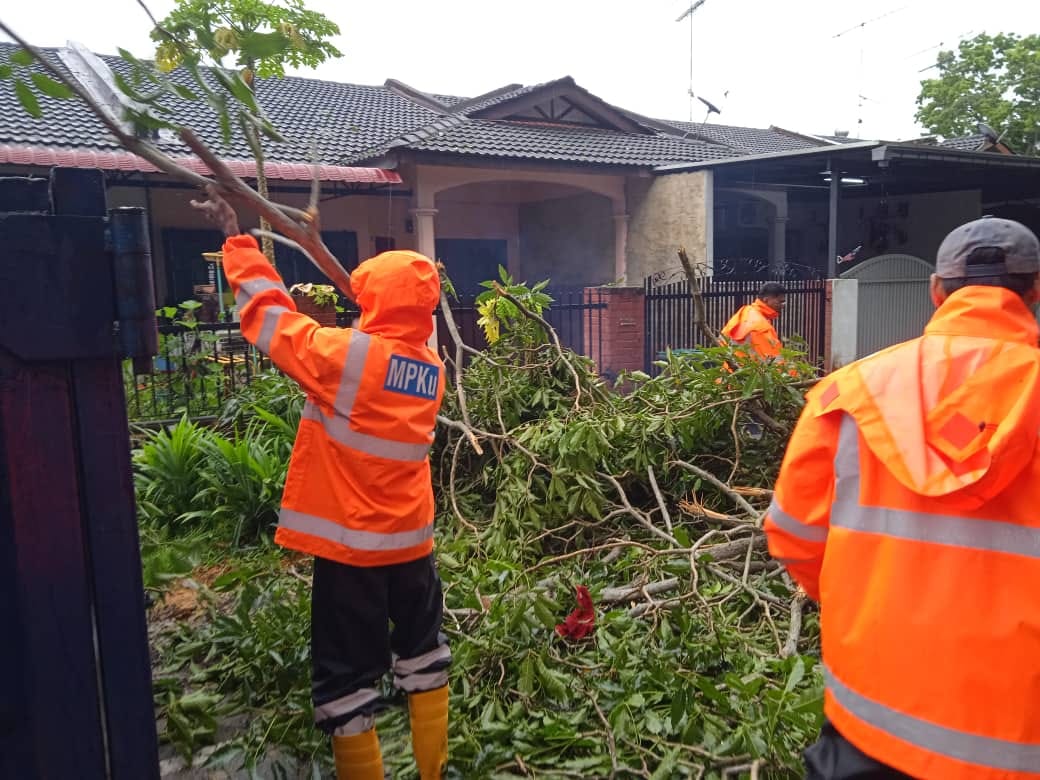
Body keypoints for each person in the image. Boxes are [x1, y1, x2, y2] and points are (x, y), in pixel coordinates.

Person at [764, 216, 1040, 780]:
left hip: (873, 718)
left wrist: (868, 597)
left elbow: (793, 536)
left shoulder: (847, 395)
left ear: (936, 291)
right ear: (1035, 291)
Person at [192, 189, 450, 780]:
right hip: (412, 546)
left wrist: (240, 242)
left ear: (373, 302)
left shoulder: (346, 359)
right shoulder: (429, 369)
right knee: (424, 656)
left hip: (354, 551)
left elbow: (271, 322)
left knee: (346, 683)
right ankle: (433, 771)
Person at [720, 281, 786, 359]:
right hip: (744, 369)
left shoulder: (746, 312)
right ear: (766, 299)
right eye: (780, 302)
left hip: (729, 367)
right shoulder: (761, 326)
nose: (783, 306)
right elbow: (772, 359)